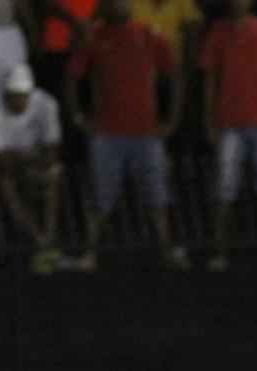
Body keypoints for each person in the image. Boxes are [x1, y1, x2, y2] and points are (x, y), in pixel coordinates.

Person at [66, 0, 189, 271]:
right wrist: (78, 116)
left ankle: (166, 250)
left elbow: (175, 74)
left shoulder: (148, 36)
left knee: (157, 195)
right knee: (100, 196)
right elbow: (73, 76)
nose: (120, 5)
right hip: (107, 133)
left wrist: (172, 119)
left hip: (146, 132)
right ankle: (90, 253)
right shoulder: (93, 38)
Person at [200, 0, 257, 271]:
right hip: (228, 122)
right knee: (224, 188)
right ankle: (219, 250)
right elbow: (210, 80)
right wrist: (208, 119)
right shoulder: (218, 32)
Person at [0, 64, 64, 274]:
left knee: (53, 176)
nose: (18, 102)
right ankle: (40, 241)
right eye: (14, 97)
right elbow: (1, 158)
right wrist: (26, 163)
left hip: (37, 162)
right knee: (7, 185)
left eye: (23, 96)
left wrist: (35, 164)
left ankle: (48, 238)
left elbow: (52, 150)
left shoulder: (47, 104)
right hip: (14, 167)